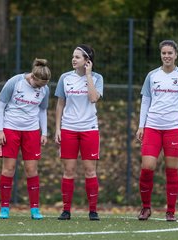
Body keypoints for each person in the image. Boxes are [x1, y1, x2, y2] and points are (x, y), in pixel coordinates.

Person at [136, 40, 178, 222]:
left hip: (174, 129)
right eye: (164, 53)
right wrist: (141, 125)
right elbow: (145, 101)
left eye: (170, 53)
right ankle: (146, 208)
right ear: (160, 55)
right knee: (147, 167)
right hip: (152, 127)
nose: (167, 56)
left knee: (172, 169)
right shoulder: (152, 76)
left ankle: (170, 211)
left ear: (176, 55)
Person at [0, 58, 51, 220]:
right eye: (38, 85)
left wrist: (44, 132)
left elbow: (42, 110)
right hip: (10, 129)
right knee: (8, 169)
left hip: (32, 131)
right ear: (32, 77)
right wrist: (0, 130)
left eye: (44, 86)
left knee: (31, 170)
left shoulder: (44, 89)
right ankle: (4, 208)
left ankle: (35, 209)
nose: (41, 88)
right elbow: (0, 106)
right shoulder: (15, 82)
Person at [55, 44, 103, 221]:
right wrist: (57, 128)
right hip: (69, 129)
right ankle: (66, 210)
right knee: (69, 171)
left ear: (87, 61)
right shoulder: (65, 78)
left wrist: (88, 75)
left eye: (77, 57)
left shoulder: (97, 78)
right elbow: (60, 103)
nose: (73, 59)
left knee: (90, 171)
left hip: (89, 129)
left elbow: (93, 98)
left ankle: (93, 211)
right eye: (73, 56)